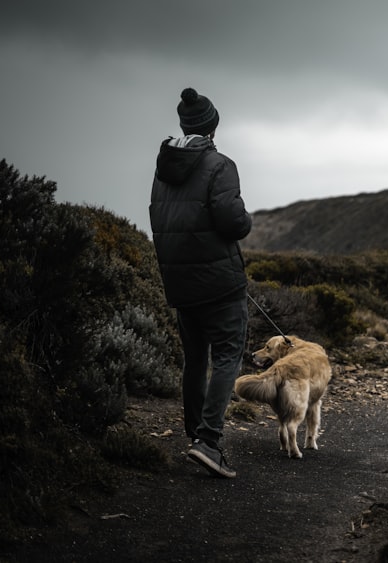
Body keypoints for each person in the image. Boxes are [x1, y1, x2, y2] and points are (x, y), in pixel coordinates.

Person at [149, 87, 252, 478]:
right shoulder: (220, 165)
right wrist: (245, 219)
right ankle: (208, 442)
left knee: (195, 360)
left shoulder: (163, 169)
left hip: (180, 282)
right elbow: (232, 222)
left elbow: (164, 222)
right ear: (212, 126)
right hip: (220, 285)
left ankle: (196, 437)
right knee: (227, 356)